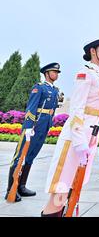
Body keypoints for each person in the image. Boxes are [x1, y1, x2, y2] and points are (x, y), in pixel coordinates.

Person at [42, 39, 99, 216]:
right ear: (92, 51)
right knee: (61, 185)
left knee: (75, 184)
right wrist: (79, 140)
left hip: (91, 135)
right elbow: (76, 108)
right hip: (77, 138)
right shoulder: (85, 73)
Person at [6, 63, 61, 202]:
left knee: (31, 155)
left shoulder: (54, 90)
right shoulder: (39, 87)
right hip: (34, 125)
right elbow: (31, 108)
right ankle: (10, 189)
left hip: (44, 125)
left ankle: (22, 186)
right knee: (20, 156)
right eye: (54, 72)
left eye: (57, 72)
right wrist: (29, 126)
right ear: (47, 73)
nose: (57, 74)